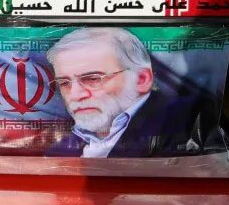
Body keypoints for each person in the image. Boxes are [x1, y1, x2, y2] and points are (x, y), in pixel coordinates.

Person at [45, 28, 198, 158]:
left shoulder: (190, 123)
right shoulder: (58, 152)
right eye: (64, 83)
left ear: (141, 79)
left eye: (92, 79)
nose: (75, 95)